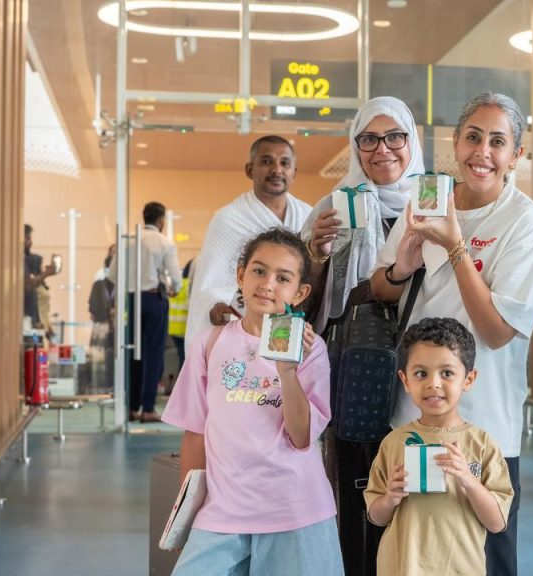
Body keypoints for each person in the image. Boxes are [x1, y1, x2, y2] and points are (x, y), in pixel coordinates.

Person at [370, 92, 533, 576]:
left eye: (497, 141)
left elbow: (497, 331)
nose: (482, 152)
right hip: (412, 417)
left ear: (516, 154)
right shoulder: (426, 200)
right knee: (414, 553)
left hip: (484, 422)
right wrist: (402, 268)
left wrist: (454, 247)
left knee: (484, 558)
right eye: (473, 137)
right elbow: (381, 287)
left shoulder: (524, 221)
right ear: (456, 142)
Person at [163, 228, 343, 576]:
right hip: (221, 513)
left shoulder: (311, 350)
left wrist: (287, 370)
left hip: (296, 511)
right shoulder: (209, 344)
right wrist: (187, 511)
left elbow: (301, 437)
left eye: (283, 277)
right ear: (241, 275)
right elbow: (195, 433)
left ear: (300, 292)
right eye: (259, 271)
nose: (268, 284)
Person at [300, 96, 425, 576]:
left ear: (411, 140)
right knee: (357, 491)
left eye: (395, 137)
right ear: (355, 146)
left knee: (416, 495)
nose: (382, 149)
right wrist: (317, 255)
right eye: (369, 139)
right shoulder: (331, 208)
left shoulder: (435, 205)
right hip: (356, 371)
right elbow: (301, 304)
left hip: (422, 372)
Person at [365, 317, 513, 576]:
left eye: (447, 373)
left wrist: (468, 480)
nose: (433, 383)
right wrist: (389, 498)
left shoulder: (482, 444)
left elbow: (497, 523)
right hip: (402, 568)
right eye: (421, 374)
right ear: (405, 380)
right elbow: (376, 517)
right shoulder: (394, 442)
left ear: (468, 379)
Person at [185, 135, 312, 352]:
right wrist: (217, 304)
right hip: (240, 325)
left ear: (294, 172)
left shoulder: (308, 216)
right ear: (250, 170)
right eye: (266, 161)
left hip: (291, 325)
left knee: (287, 372)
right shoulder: (228, 218)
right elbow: (210, 282)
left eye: (284, 163)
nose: (277, 170)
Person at [113, 201, 183, 423]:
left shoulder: (128, 240)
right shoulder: (164, 242)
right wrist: (173, 288)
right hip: (154, 299)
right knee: (154, 354)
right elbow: (176, 278)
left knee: (133, 352)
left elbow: (113, 274)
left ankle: (132, 407)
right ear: (161, 220)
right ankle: (148, 408)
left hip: (132, 300)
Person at [88, 244, 117, 391]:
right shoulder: (99, 282)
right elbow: (92, 310)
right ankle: (105, 385)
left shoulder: (124, 285)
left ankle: (112, 384)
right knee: (104, 357)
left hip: (116, 331)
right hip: (104, 329)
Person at [23, 224, 59, 337]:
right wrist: (46, 273)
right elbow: (28, 285)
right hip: (28, 325)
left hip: (37, 325)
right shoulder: (20, 262)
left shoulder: (39, 285)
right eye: (28, 238)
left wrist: (47, 326)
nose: (30, 242)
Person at [169, 258, 195, 371]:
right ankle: (183, 381)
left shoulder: (178, 286)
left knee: (182, 357)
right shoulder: (190, 287)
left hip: (173, 330)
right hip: (184, 329)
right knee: (185, 360)